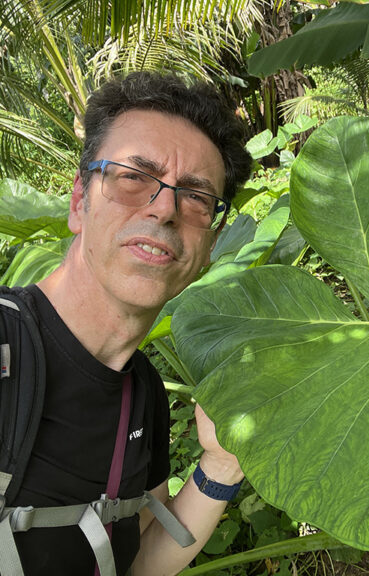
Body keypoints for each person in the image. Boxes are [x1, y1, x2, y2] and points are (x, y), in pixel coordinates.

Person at [5, 71, 252, 575]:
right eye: (133, 177)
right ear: (80, 200)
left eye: (197, 196)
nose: (165, 208)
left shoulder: (141, 394)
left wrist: (223, 463)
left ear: (210, 246)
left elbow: (135, 561)